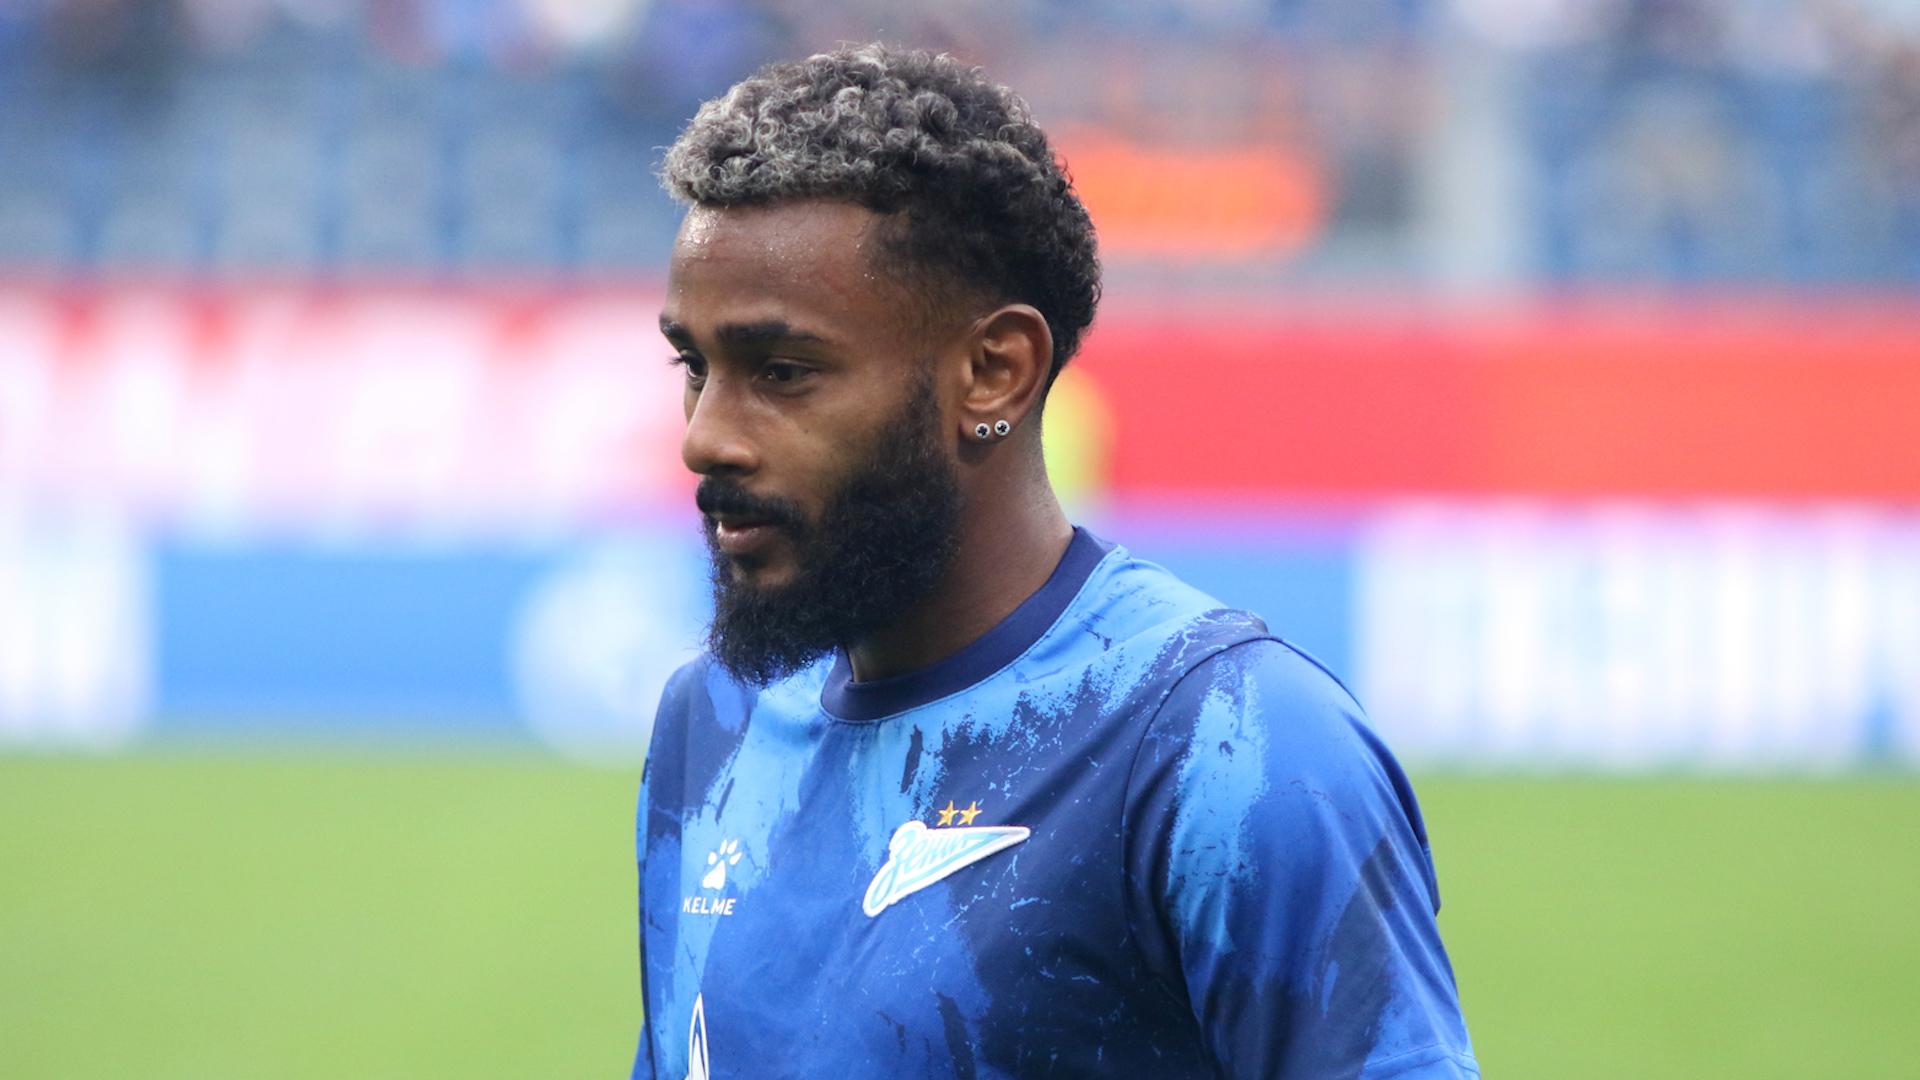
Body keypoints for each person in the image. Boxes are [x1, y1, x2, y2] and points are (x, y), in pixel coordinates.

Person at [632, 43, 1477, 1080]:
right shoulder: (712, 722)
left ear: (996, 371)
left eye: (783, 372)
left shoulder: (1230, 746)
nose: (705, 437)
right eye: (695, 365)